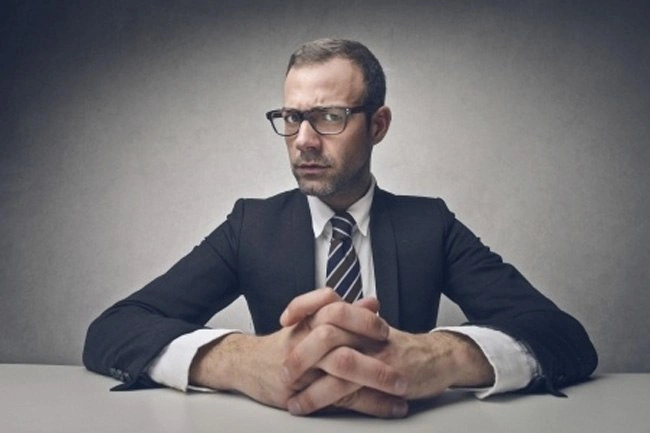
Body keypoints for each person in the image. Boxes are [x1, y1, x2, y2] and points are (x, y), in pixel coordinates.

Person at [83, 38, 597, 418]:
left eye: (329, 117)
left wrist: (439, 357)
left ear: (378, 125)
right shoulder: (249, 226)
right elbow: (114, 329)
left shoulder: (430, 225)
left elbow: (563, 337)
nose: (304, 140)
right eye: (291, 117)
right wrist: (242, 361)